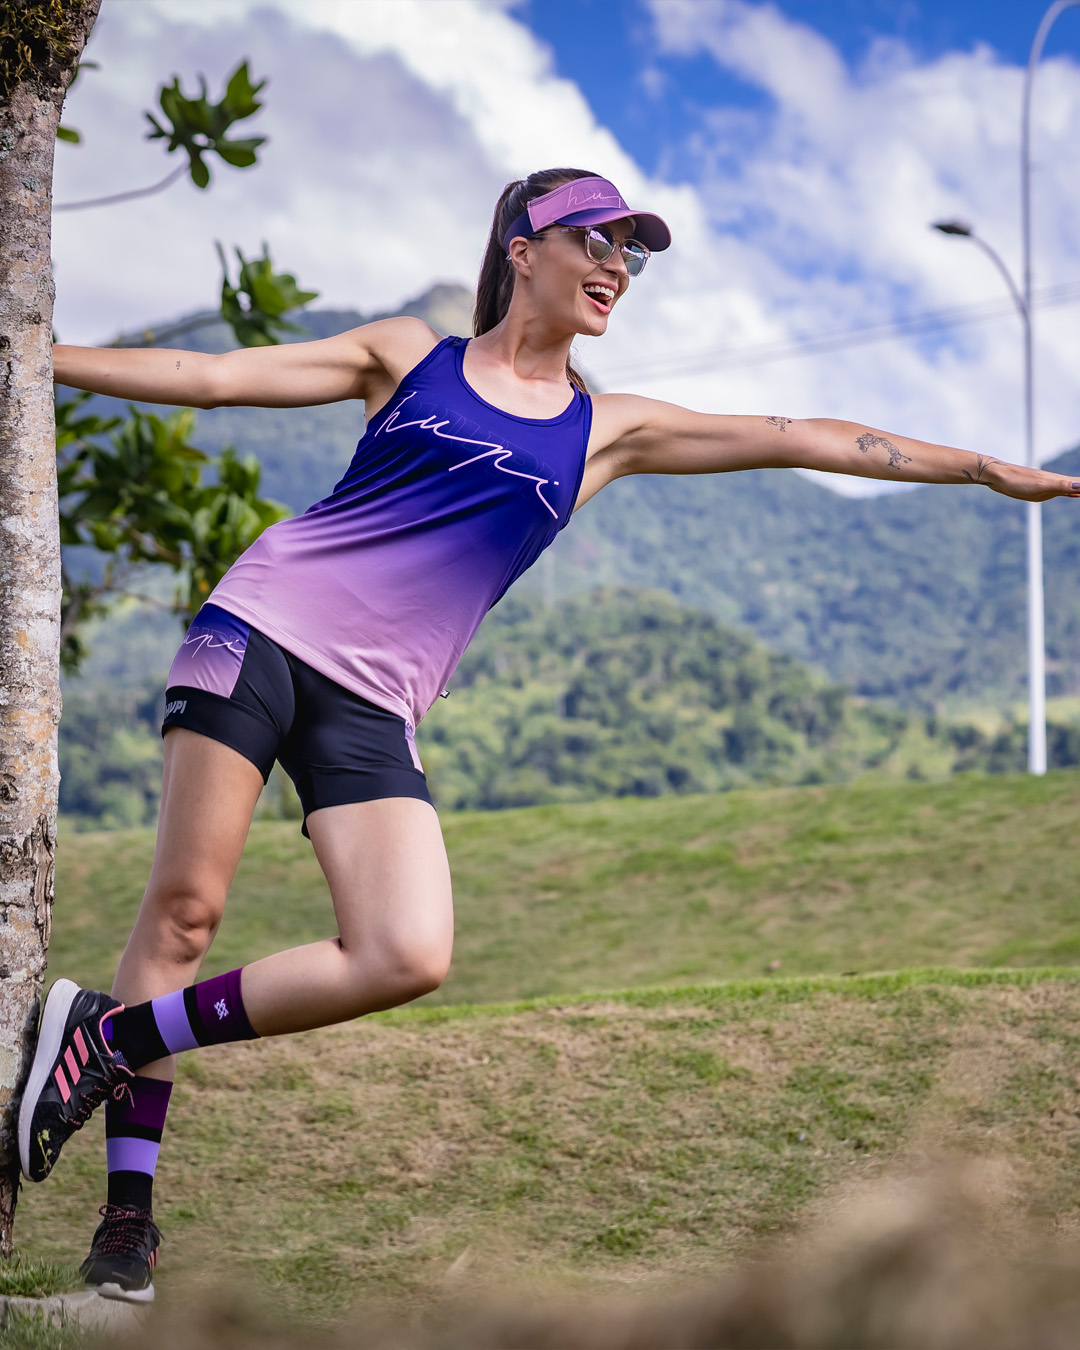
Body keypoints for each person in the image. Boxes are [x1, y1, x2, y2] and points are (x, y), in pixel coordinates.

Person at [19, 167, 1080, 1303]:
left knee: (407, 952)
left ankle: (107, 1037)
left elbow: (797, 436)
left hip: (377, 703)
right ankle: (126, 1221)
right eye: (599, 241)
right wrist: (33, 358)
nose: (620, 265)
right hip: (262, 629)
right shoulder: (409, 356)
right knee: (184, 913)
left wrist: (975, 467)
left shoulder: (605, 430)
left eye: (635, 251)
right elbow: (213, 378)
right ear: (525, 248)